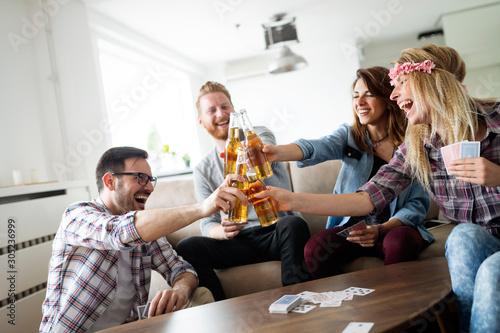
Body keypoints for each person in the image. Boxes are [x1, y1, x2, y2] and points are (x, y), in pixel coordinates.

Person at [256, 44, 500, 333]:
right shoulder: (418, 145)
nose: (394, 95)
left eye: (400, 85)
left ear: (429, 81)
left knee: (491, 271)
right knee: (463, 236)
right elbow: (365, 200)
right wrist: (289, 200)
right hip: (478, 238)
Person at [40, 146, 247, 332]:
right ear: (110, 181)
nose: (149, 188)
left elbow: (181, 269)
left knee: (199, 295)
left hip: (128, 328)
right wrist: (202, 208)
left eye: (150, 179)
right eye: (140, 177)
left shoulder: (147, 231)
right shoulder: (76, 216)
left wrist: (179, 291)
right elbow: (119, 233)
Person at [264, 66, 432, 279]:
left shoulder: (412, 143)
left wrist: (381, 229)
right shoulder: (349, 136)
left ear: (388, 99)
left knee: (399, 242)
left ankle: (393, 302)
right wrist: (275, 152)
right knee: (314, 249)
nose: (359, 102)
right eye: (355, 96)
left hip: (394, 227)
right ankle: (353, 303)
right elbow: (316, 147)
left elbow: (417, 204)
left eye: (368, 95)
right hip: (355, 229)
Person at [175, 81, 312, 301]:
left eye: (225, 106)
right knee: (188, 246)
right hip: (238, 241)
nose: (221, 114)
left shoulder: (258, 134)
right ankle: (219, 310)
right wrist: (222, 231)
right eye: (212, 110)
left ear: (234, 110)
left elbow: (263, 146)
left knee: (294, 224)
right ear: (201, 121)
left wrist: (248, 151)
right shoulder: (203, 169)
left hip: (277, 232)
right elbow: (206, 223)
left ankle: (295, 303)